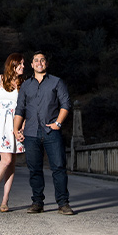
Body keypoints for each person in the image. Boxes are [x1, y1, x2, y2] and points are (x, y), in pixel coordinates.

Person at [13, 51, 73, 215]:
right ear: (31, 65)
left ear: (46, 63)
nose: (39, 62)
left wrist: (58, 123)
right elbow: (20, 109)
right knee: (34, 169)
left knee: (59, 167)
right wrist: (15, 129)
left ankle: (63, 203)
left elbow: (65, 104)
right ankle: (37, 202)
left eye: (42, 60)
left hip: (51, 132)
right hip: (31, 133)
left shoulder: (56, 82)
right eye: (36, 60)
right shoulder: (26, 85)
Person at [0, 53, 26, 212]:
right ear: (12, 65)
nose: (23, 66)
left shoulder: (23, 83)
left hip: (15, 125)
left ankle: (5, 200)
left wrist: (23, 126)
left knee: (12, 163)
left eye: (23, 64)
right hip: (0, 124)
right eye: (20, 64)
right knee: (6, 160)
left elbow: (26, 108)